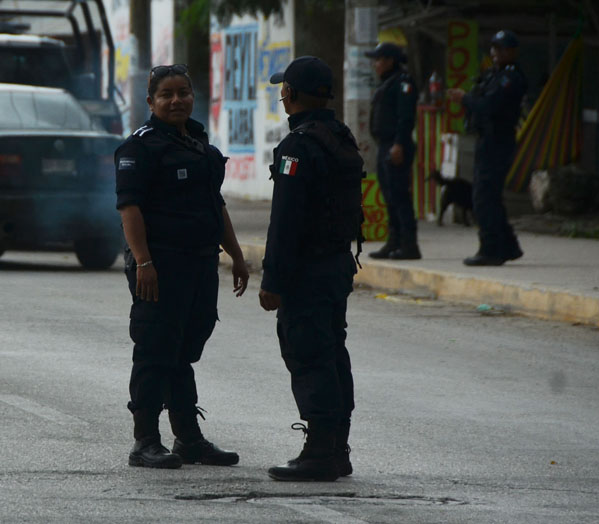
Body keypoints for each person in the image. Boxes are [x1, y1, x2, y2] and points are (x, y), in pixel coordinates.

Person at [114, 64, 250, 469]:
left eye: (184, 93)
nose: (177, 101)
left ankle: (188, 439)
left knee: (183, 350)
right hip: (160, 263)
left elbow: (216, 205)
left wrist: (237, 256)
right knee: (155, 349)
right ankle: (145, 440)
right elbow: (129, 208)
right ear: (151, 101)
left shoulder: (199, 145)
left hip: (200, 262)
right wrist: (144, 262)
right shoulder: (140, 147)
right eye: (167, 95)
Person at [259, 56, 364, 482]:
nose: (281, 94)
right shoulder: (339, 136)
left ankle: (320, 450)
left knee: (308, 353)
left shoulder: (298, 146)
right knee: (332, 351)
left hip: (307, 270)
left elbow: (286, 221)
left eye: (284, 88)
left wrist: (273, 280)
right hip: (336, 264)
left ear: (293, 95)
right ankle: (337, 447)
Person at [446, 30, 526, 266]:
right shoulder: (495, 75)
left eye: (500, 49)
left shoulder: (509, 78)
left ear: (511, 52)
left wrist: (465, 99)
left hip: (498, 140)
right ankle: (509, 246)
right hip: (487, 139)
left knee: (483, 197)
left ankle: (491, 249)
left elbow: (490, 105)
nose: (495, 53)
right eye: (493, 48)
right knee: (489, 195)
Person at [365, 42, 421, 260]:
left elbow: (406, 118)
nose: (375, 65)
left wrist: (398, 144)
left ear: (390, 61)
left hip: (397, 144)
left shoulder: (403, 83)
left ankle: (409, 244)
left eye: (378, 60)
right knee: (389, 195)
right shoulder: (388, 82)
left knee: (399, 196)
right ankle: (394, 241)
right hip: (385, 144)